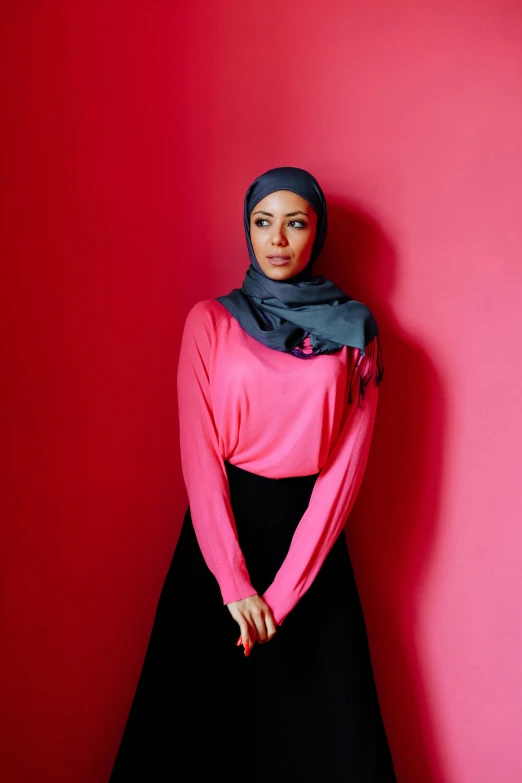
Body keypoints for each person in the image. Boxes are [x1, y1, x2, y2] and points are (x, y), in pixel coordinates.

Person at [109, 166, 396, 782]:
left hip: (310, 550)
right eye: (264, 222)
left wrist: (283, 594)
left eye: (296, 223)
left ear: (316, 234)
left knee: (324, 740)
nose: (278, 239)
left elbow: (344, 474)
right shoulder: (209, 322)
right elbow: (200, 456)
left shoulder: (355, 334)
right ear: (248, 230)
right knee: (188, 731)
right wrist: (234, 584)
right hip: (219, 542)